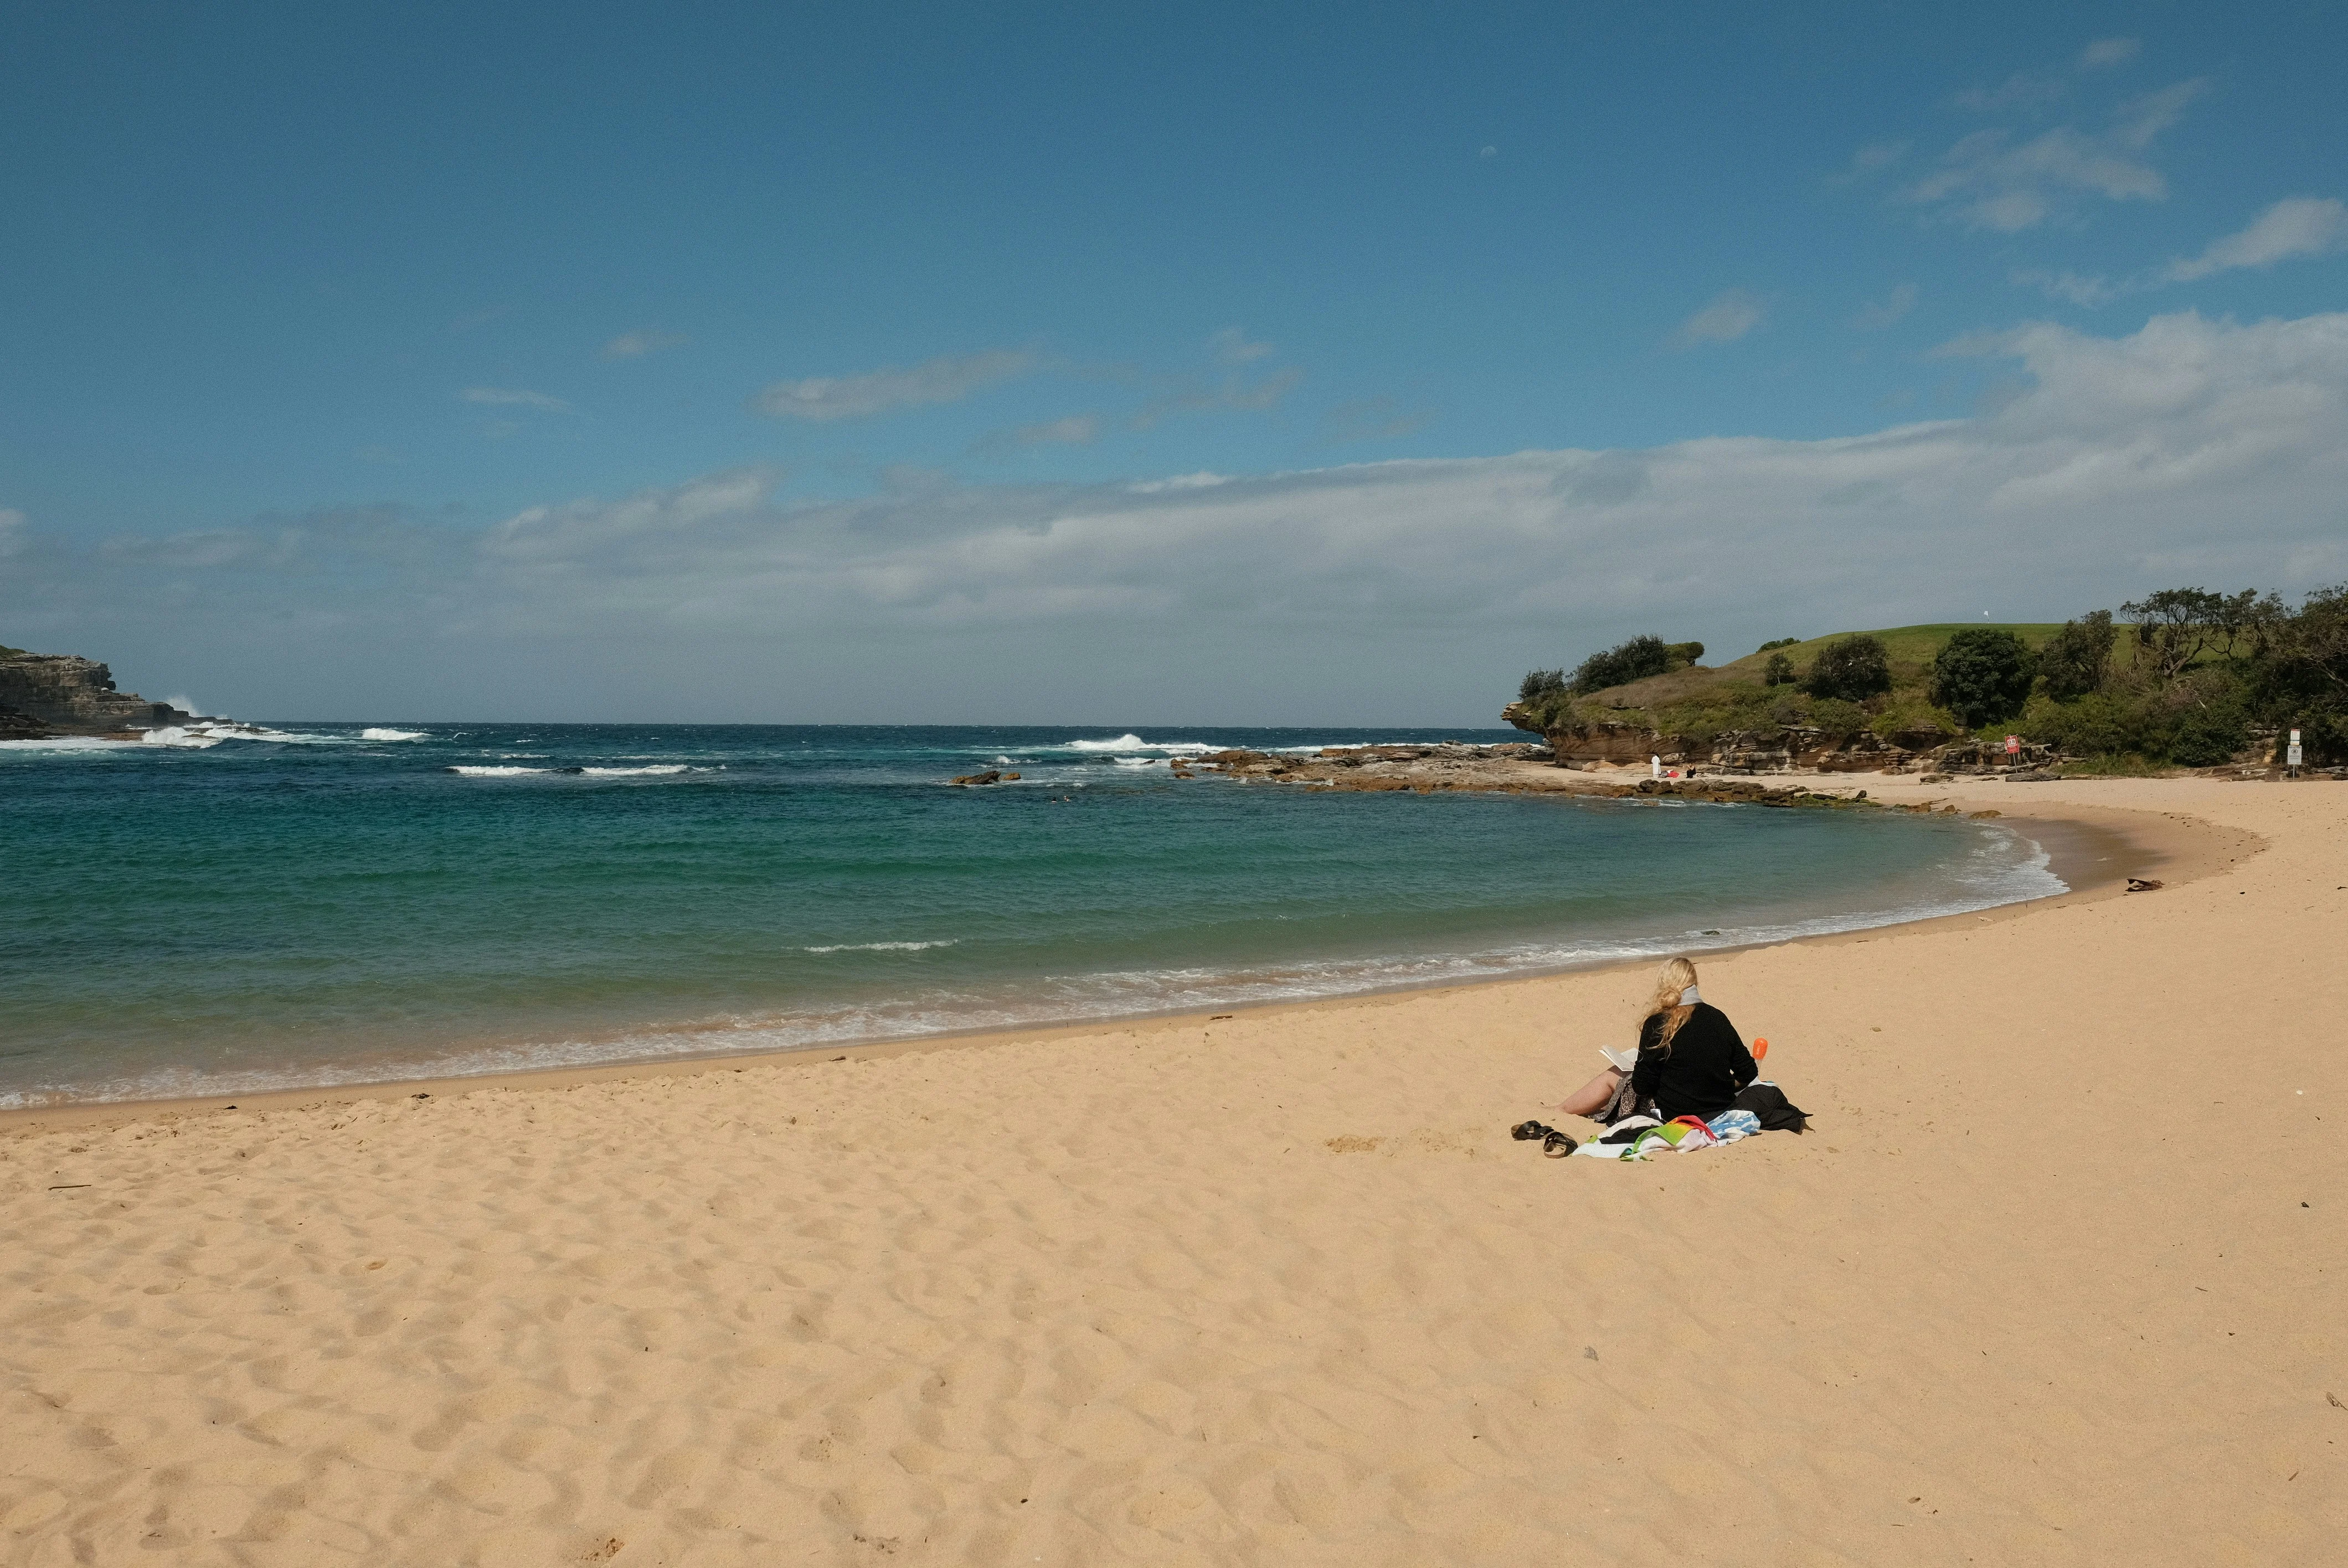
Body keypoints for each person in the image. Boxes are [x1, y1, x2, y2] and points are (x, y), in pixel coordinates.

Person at [1555, 956, 1759, 1126]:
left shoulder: (1659, 1023)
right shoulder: (1718, 1017)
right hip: (1718, 1105)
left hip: (1673, 1112)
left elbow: (1642, 1087)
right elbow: (1748, 1071)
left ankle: (1560, 1110)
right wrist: (1719, 1087)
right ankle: (1580, 1108)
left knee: (1616, 1075)